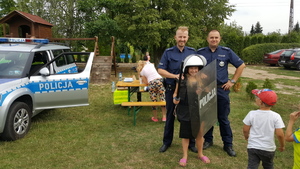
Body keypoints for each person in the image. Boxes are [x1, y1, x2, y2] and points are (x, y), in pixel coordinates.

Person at [197, 29, 246, 157]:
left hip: (221, 89)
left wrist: (232, 81)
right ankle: (208, 140)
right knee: (208, 117)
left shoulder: (227, 52)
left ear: (220, 39)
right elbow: (194, 69)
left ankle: (228, 144)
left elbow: (241, 65)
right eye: (211, 37)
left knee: (223, 118)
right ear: (207, 39)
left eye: (216, 38)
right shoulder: (200, 53)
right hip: (206, 90)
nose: (214, 39)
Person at [158, 26, 197, 153]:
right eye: (180, 36)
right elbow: (160, 70)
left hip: (189, 90)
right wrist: (174, 76)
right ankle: (166, 142)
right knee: (170, 116)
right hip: (171, 89)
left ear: (187, 38)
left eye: (184, 37)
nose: (182, 39)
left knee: (190, 116)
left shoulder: (192, 52)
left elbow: (198, 70)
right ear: (175, 37)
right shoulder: (168, 52)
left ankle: (191, 144)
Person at [173, 54, 210, 167]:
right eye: (191, 68)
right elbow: (175, 93)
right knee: (186, 135)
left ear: (199, 69)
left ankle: (200, 153)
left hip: (199, 110)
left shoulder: (203, 80)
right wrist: (175, 99)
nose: (194, 70)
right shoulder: (182, 80)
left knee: (199, 133)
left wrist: (202, 91)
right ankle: (185, 156)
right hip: (185, 110)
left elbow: (209, 92)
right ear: (187, 69)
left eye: (196, 68)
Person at [243, 89, 285, 169]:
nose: (255, 98)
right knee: (268, 166)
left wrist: (246, 137)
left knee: (252, 166)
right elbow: (280, 134)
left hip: (253, 147)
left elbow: (245, 129)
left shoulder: (252, 114)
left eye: (257, 97)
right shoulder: (276, 116)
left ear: (261, 102)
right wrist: (282, 145)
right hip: (268, 149)